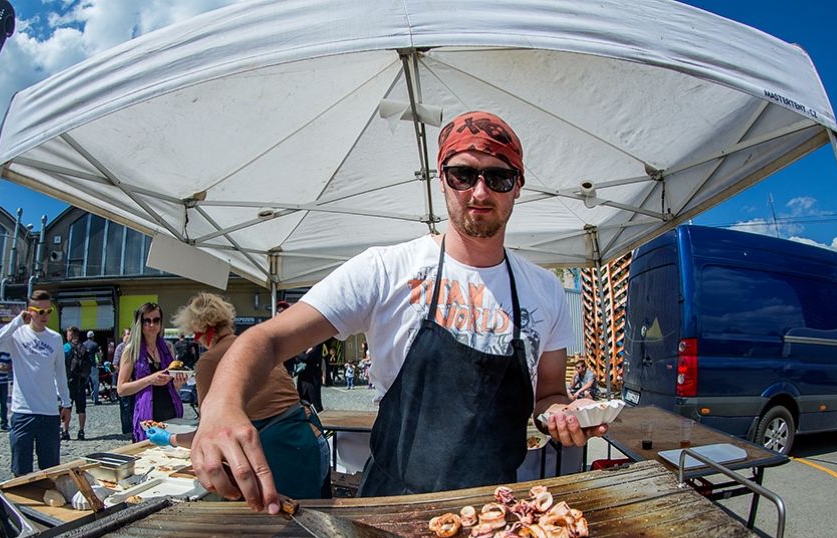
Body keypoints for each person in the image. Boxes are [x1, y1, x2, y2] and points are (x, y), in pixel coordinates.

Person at [189, 110, 606, 513]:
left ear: (518, 186)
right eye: (463, 175)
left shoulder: (545, 289)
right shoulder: (384, 270)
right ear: (441, 178)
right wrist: (220, 405)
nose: (479, 192)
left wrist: (562, 414)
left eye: (498, 177)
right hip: (391, 508)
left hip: (495, 511)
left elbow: (549, 394)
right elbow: (268, 339)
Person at [147, 293, 330, 499]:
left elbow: (208, 433)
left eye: (196, 335)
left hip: (283, 451)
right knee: (317, 514)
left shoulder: (209, 361)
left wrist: (170, 438)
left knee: (287, 518)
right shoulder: (253, 345)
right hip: (311, 439)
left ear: (204, 331)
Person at [0, 290, 71, 476]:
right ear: (30, 311)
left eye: (48, 311)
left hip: (49, 413)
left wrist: (66, 403)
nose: (44, 316)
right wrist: (17, 321)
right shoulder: (17, 335)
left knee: (51, 470)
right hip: (23, 411)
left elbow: (60, 373)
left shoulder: (55, 338)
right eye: (40, 311)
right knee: (21, 470)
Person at [117, 302, 183, 442]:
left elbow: (172, 386)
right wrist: (150, 380)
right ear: (139, 323)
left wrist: (178, 383)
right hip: (147, 417)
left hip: (171, 413)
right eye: (147, 321)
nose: (152, 325)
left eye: (156, 320)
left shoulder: (167, 348)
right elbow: (121, 389)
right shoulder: (131, 350)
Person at [62, 326, 90, 440]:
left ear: (72, 335)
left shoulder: (66, 347)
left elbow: (60, 360)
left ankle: (65, 431)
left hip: (69, 381)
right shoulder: (83, 347)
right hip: (81, 381)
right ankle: (81, 431)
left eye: (68, 334)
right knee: (81, 408)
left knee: (67, 407)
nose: (67, 336)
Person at [294, 343, 324, 411]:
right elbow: (297, 360)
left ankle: (320, 416)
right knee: (301, 402)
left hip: (313, 379)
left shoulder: (317, 345)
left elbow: (307, 357)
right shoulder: (304, 345)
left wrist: (297, 354)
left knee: (316, 404)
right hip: (303, 379)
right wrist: (300, 355)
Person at [114, 328, 132, 436]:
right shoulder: (120, 348)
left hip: (135, 381)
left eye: (130, 334)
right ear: (123, 336)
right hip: (124, 381)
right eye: (127, 334)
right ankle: (127, 429)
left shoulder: (136, 347)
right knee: (125, 405)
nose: (129, 336)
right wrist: (124, 374)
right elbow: (115, 364)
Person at [83, 331, 102, 405]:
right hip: (93, 366)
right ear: (93, 337)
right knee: (95, 383)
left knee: (83, 384)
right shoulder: (95, 344)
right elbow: (98, 355)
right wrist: (100, 362)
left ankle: (82, 400)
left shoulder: (83, 344)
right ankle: (95, 400)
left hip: (85, 367)